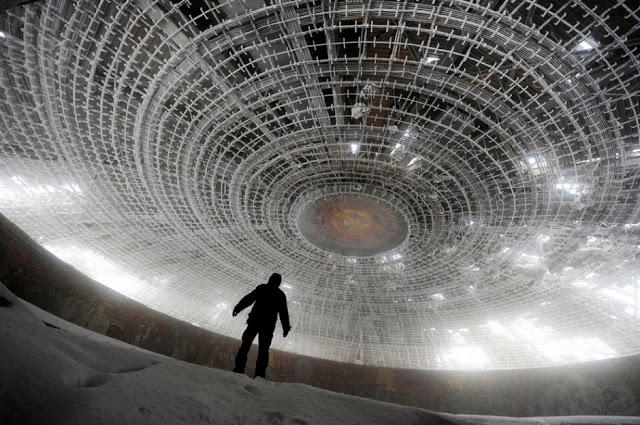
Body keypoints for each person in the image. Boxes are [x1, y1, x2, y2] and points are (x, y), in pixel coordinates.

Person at [232, 273, 291, 378]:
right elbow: (283, 313)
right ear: (279, 283)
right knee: (263, 351)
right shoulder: (280, 295)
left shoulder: (262, 288)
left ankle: (239, 368)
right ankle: (259, 375)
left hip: (254, 322)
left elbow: (249, 299)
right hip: (268, 326)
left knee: (245, 345)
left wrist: (238, 308)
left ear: (270, 279)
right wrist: (285, 328)